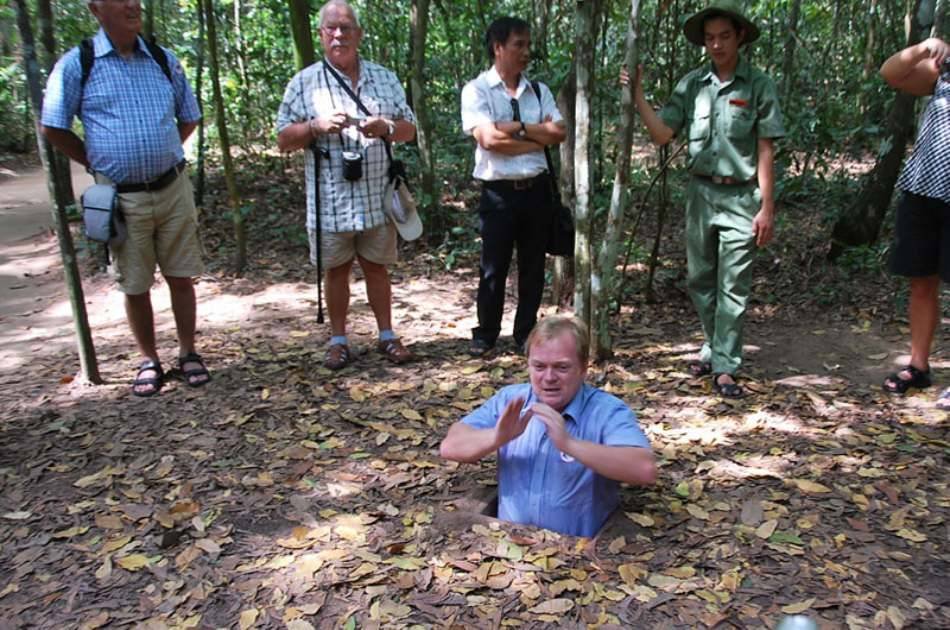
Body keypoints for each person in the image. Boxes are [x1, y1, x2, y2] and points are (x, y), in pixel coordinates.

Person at [42, 0, 208, 397]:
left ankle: (188, 353)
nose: (134, 5)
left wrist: (160, 153)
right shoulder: (77, 64)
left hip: (172, 187)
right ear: (96, 9)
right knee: (135, 283)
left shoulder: (163, 60)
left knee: (181, 275)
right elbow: (54, 126)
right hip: (120, 197)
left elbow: (190, 115)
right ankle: (149, 358)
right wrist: (97, 161)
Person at [622, 0, 784, 398]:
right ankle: (715, 345)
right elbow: (663, 134)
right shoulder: (693, 84)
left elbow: (766, 149)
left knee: (733, 284)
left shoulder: (758, 84)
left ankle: (726, 365)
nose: (716, 45)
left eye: (724, 36)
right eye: (710, 38)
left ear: (739, 36)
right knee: (699, 279)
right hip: (700, 194)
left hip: (743, 195)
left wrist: (766, 206)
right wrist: (639, 94)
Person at [276, 0, 417, 370]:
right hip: (330, 200)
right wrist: (314, 127)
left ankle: (387, 335)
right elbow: (282, 138)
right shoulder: (304, 83)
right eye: (331, 28)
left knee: (377, 266)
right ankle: (338, 340)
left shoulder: (384, 78)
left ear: (359, 33)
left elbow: (410, 128)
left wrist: (385, 127)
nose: (339, 35)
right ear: (321, 34)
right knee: (336, 269)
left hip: (376, 194)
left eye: (346, 27)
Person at [439, 316, 657, 537]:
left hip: (578, 554)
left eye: (561, 367)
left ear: (583, 368)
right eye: (539, 366)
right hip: (509, 547)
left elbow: (644, 469)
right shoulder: (510, 400)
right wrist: (497, 436)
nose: (549, 377)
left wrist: (570, 444)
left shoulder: (607, 410)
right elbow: (450, 447)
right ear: (528, 365)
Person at [460, 17, 567, 357]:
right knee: (493, 266)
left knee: (533, 266)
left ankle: (525, 334)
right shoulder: (477, 90)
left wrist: (515, 128)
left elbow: (559, 133)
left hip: (536, 191)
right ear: (498, 47)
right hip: (498, 193)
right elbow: (488, 139)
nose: (526, 52)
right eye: (518, 44)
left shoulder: (539, 91)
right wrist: (534, 134)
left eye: (527, 45)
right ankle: (486, 334)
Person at [879, 38, 950, 409]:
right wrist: (926, 47)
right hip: (924, 191)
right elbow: (891, 74)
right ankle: (919, 367)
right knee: (921, 281)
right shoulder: (945, 70)